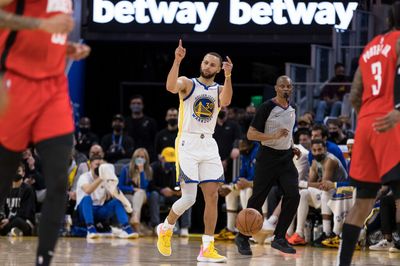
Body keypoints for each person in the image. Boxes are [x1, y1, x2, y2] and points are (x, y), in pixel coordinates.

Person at [0, 3, 90, 266]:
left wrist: (64, 49)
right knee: (4, 178)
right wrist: (41, 25)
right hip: (16, 83)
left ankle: (44, 260)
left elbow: (48, 36)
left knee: (59, 180)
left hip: (54, 89)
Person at [156, 39, 233, 263]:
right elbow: (171, 87)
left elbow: (226, 101)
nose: (207, 67)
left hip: (209, 143)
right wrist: (177, 60)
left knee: (212, 196)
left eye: (212, 65)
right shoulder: (188, 84)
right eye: (205, 62)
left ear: (218, 69)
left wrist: (228, 77)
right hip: (187, 143)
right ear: (201, 63)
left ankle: (207, 248)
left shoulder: (219, 87)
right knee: (189, 198)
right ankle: (166, 227)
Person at [338, 3, 400, 265]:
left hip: (365, 124)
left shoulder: (370, 46)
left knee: (362, 202)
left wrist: (368, 117)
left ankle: (343, 263)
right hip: (390, 121)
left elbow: (354, 94)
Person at [235, 75, 301, 255]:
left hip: (286, 158)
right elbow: (251, 134)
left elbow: (287, 132)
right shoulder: (267, 107)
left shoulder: (293, 108)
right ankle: (242, 237)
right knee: (257, 198)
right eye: (283, 86)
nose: (286, 89)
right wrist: (273, 137)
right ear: (276, 88)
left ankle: (279, 238)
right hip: (268, 158)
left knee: (293, 195)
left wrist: (292, 146)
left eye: (289, 86)